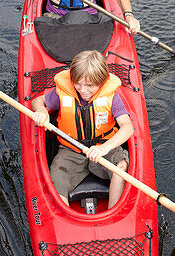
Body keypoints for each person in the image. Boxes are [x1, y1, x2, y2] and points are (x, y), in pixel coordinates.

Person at [32, 50, 133, 209]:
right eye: (77, 83)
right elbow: (38, 100)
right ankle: (62, 217)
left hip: (103, 148)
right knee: (57, 175)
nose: (82, 90)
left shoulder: (112, 98)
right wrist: (41, 111)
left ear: (101, 82)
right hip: (71, 149)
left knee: (121, 166)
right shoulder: (64, 93)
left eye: (89, 85)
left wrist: (105, 148)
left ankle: (113, 212)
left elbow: (127, 127)